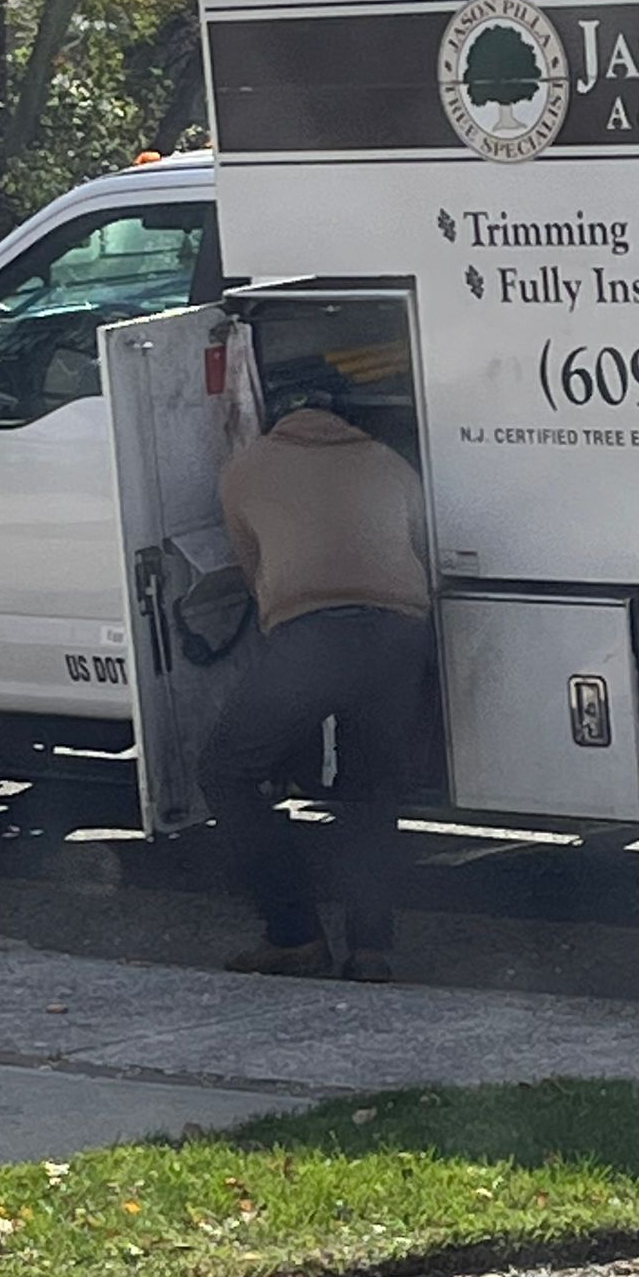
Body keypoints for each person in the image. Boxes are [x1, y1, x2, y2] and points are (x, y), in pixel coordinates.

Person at [200, 387, 433, 981]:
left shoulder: (245, 470)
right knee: (369, 792)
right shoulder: (387, 462)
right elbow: (418, 542)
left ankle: (294, 934)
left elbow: (255, 575)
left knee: (227, 771)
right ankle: (371, 951)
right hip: (399, 633)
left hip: (312, 636)